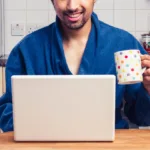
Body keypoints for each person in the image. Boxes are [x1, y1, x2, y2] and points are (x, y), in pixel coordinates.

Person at [0, 0, 150, 132]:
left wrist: (149, 90)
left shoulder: (123, 44)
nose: (72, 6)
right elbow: (7, 110)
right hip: (45, 144)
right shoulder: (27, 50)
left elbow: (142, 117)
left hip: (108, 143)